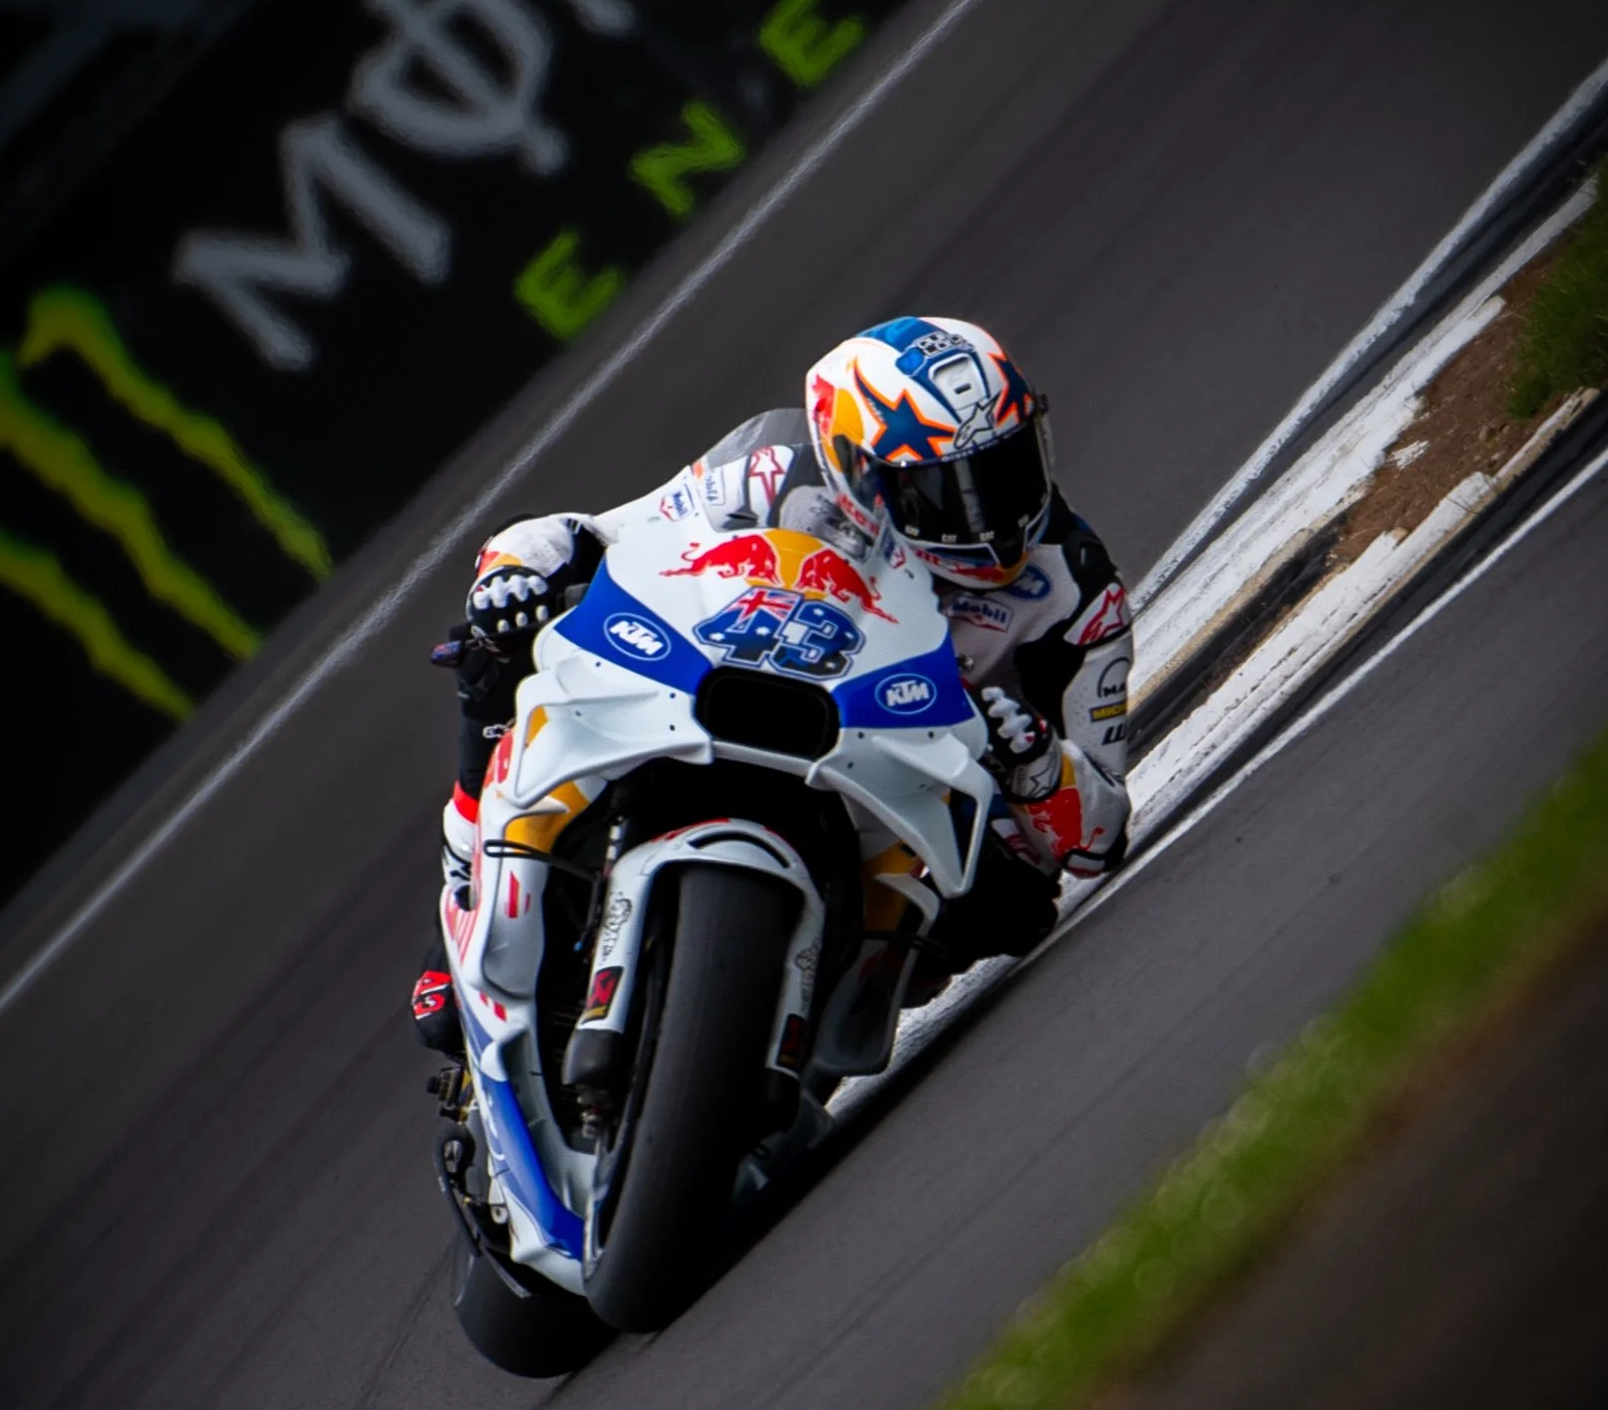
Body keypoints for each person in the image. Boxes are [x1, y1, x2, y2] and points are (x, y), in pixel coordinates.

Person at [410, 315, 1133, 1053]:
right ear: (859, 472)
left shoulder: (1074, 585)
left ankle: (821, 999)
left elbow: (1098, 840)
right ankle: (468, 876)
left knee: (1016, 907)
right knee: (497, 648)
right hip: (745, 696)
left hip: (912, 791)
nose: (994, 516)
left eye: (1005, 468)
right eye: (943, 490)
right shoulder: (772, 476)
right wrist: (513, 573)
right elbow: (587, 533)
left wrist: (1037, 763)